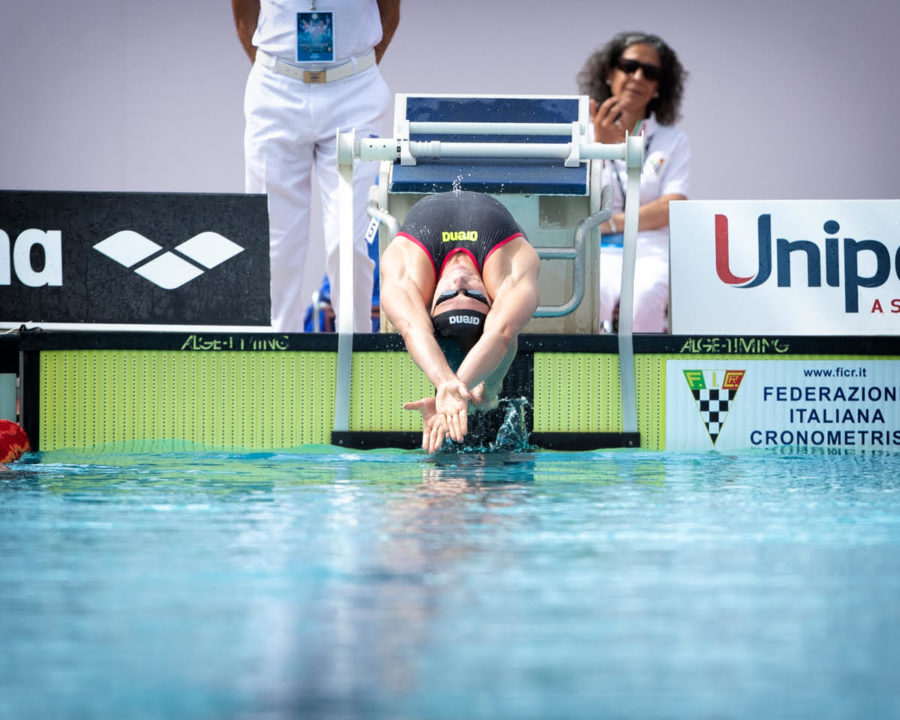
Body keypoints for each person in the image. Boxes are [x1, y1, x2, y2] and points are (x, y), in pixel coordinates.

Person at [232, 0, 400, 332]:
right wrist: (283, 73)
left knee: (349, 243)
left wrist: (352, 69)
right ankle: (276, 356)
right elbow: (244, 10)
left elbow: (389, 10)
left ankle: (355, 352)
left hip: (353, 90)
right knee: (273, 246)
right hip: (276, 87)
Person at [380, 191, 540, 453]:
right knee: (511, 320)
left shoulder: (410, 272)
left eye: (449, 295)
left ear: (430, 302)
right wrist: (480, 391)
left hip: (428, 220)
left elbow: (413, 328)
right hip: (495, 230)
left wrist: (448, 386)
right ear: (490, 300)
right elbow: (502, 332)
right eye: (473, 294)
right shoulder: (507, 268)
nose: (459, 283)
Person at [577, 31, 690, 333]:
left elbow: (673, 206)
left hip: (650, 250)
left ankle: (646, 380)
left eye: (650, 73)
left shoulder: (671, 140)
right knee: (590, 299)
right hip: (593, 248)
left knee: (644, 298)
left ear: (658, 88)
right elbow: (575, 203)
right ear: (609, 73)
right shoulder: (581, 133)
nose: (638, 77)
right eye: (629, 66)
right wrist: (599, 148)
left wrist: (612, 223)